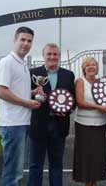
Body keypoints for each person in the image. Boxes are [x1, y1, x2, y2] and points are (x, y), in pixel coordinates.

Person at [0, 26, 41, 186]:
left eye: (29, 41)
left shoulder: (22, 65)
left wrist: (34, 91)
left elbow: (18, 91)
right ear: (15, 40)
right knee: (12, 173)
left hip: (22, 122)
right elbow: (0, 91)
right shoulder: (7, 62)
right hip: (12, 124)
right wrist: (27, 102)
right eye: (22, 39)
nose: (26, 43)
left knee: (17, 170)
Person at [27, 43, 75, 186]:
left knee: (56, 165)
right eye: (49, 54)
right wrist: (33, 95)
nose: (52, 57)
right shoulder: (32, 73)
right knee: (35, 165)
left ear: (59, 56)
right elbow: (24, 94)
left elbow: (73, 98)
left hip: (59, 124)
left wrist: (68, 109)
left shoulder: (68, 75)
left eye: (55, 54)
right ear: (43, 56)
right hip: (38, 123)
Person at [73, 57, 106, 186]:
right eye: (88, 65)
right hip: (83, 125)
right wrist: (99, 107)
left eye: (94, 65)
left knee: (97, 158)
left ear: (97, 68)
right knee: (86, 158)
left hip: (100, 125)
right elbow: (80, 102)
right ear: (83, 68)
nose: (91, 67)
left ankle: (94, 183)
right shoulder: (80, 81)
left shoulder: (102, 82)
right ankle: (88, 184)